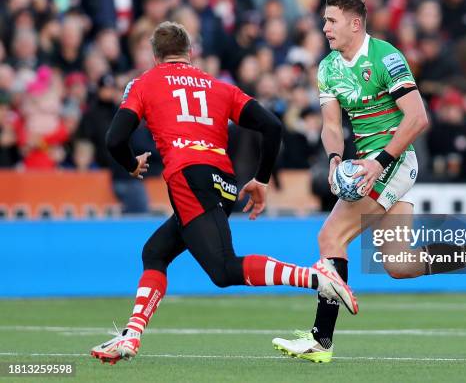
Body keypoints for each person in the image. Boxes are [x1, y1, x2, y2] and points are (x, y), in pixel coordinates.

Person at [272, 0, 466, 363]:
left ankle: (321, 339)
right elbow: (331, 125)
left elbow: (418, 118)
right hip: (366, 162)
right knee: (397, 264)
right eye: (325, 20)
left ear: (355, 23)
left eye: (331, 20)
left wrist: (379, 162)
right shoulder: (328, 67)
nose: (325, 27)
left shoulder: (386, 57)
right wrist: (334, 159)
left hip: (393, 161)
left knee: (330, 235)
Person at [90, 21, 357, 365]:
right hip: (224, 182)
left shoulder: (145, 83)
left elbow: (114, 139)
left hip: (188, 176)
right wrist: (261, 179)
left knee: (224, 271)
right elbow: (272, 125)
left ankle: (317, 276)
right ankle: (131, 335)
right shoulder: (218, 86)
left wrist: (130, 164)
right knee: (155, 252)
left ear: (156, 55)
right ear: (191, 53)